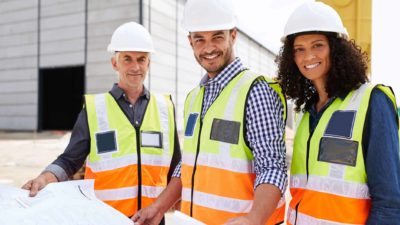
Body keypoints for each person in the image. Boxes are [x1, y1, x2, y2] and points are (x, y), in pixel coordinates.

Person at [132, 0, 288, 224]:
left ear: (232, 36)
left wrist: (253, 219)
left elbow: (272, 166)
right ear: (190, 42)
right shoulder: (194, 97)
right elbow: (188, 165)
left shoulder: (256, 90)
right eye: (199, 39)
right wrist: (158, 207)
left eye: (217, 37)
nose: (208, 48)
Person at [22, 22, 181, 224]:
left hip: (153, 219)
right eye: (127, 59)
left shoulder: (164, 108)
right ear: (115, 63)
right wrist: (45, 178)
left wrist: (164, 208)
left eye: (142, 59)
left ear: (149, 63)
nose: (135, 67)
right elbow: (69, 160)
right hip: (106, 219)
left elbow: (177, 167)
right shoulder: (95, 109)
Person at [276, 2, 400, 225]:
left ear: (336, 48)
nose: (308, 56)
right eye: (299, 49)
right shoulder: (308, 115)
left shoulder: (372, 101)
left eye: (317, 45)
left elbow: (389, 202)